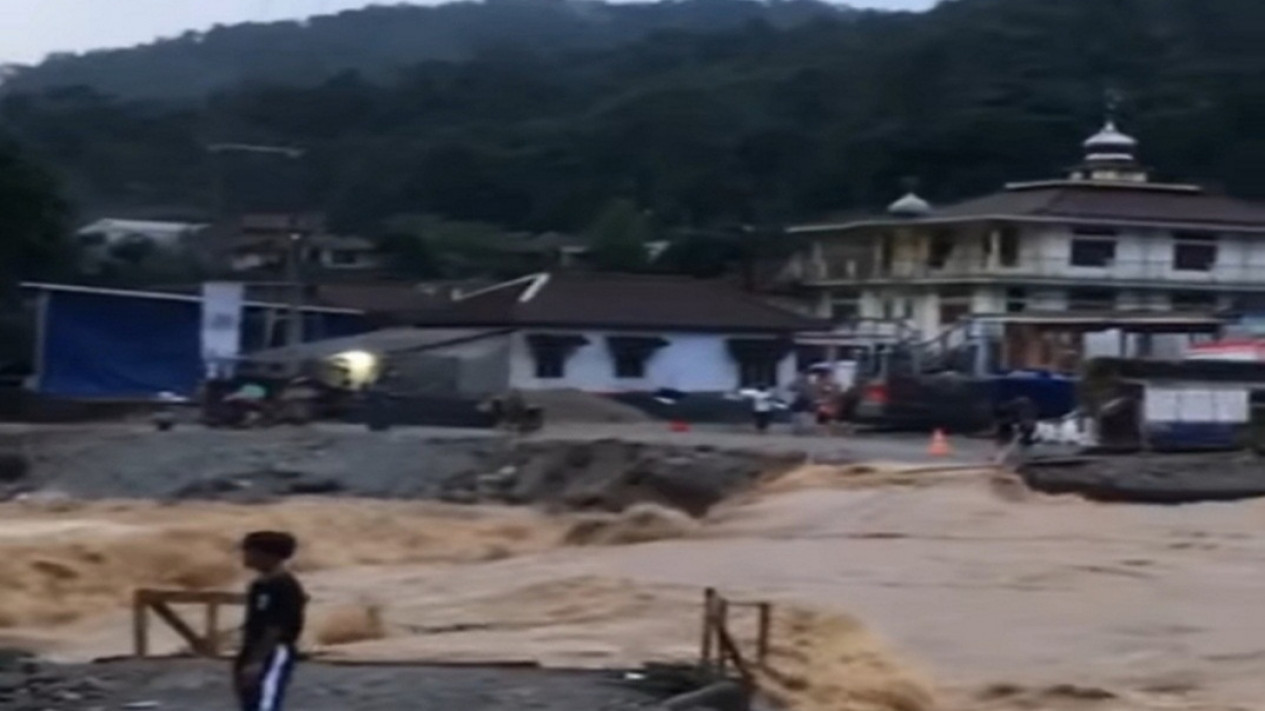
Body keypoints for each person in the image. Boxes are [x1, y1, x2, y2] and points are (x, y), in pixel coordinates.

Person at [235, 531, 307, 711]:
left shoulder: (285, 586)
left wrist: (257, 661)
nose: (245, 556)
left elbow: (276, 626)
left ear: (268, 555)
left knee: (266, 703)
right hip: (252, 649)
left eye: (250, 551)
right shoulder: (258, 585)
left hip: (273, 651)